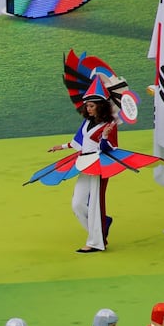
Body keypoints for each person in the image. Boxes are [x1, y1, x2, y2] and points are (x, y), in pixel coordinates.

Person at [48, 77, 118, 253]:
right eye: (87, 106)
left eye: (92, 106)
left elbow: (109, 149)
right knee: (77, 204)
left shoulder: (109, 125)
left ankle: (95, 242)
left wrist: (105, 136)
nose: (88, 108)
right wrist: (61, 147)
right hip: (84, 164)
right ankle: (101, 227)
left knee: (95, 203)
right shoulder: (86, 122)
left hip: (98, 166)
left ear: (100, 106)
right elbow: (78, 142)